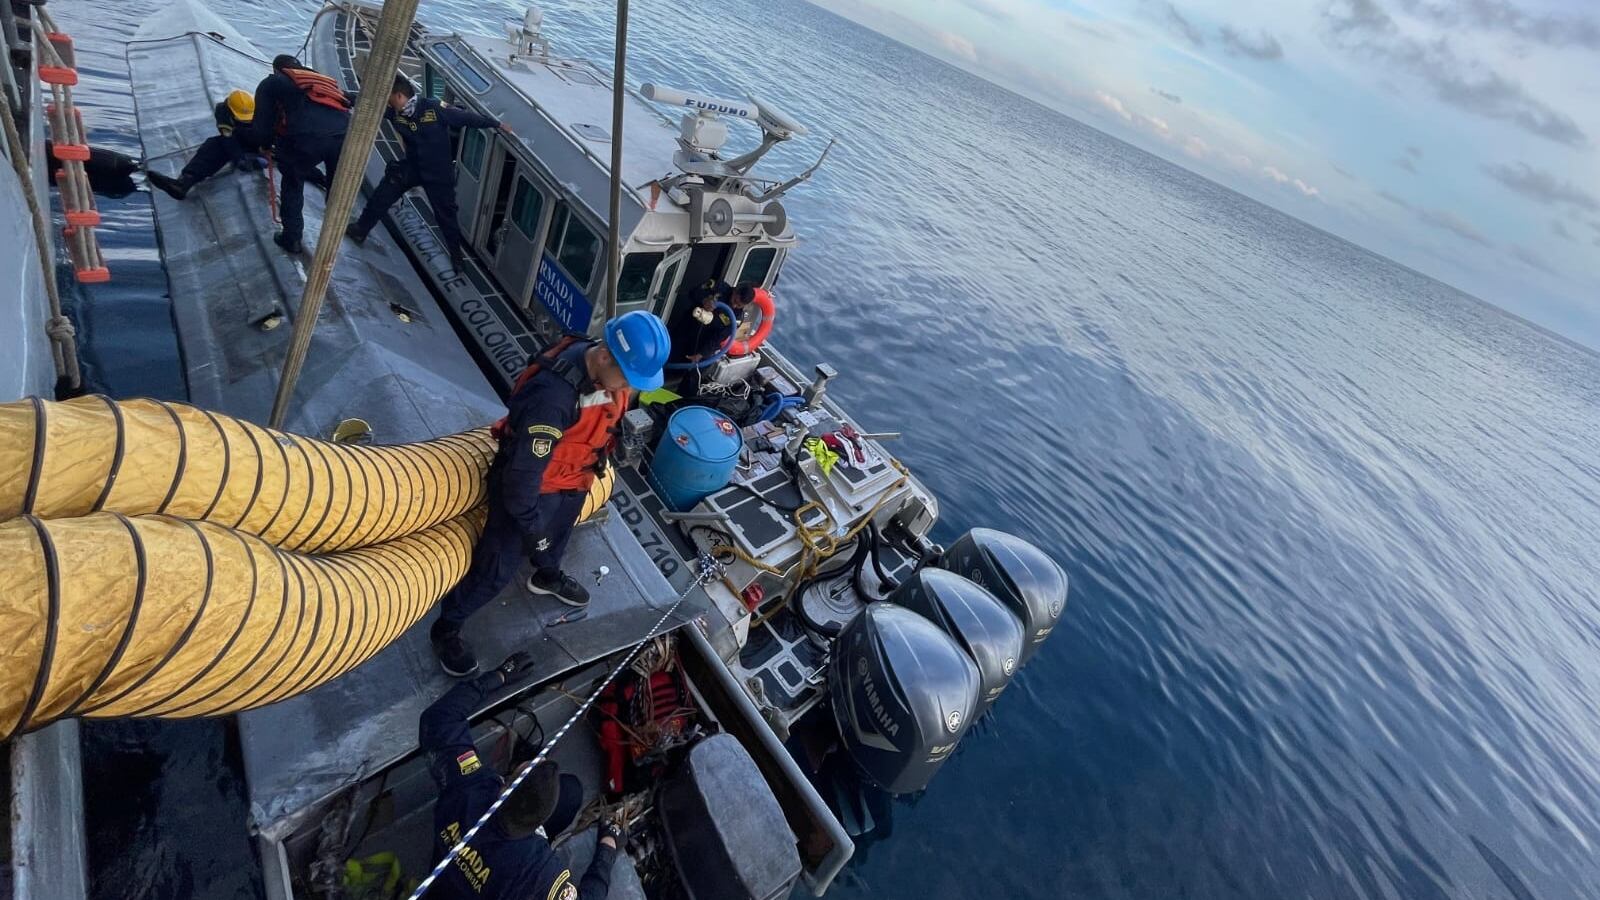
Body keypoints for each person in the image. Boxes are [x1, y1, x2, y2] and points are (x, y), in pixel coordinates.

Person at [429, 311, 671, 677]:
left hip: (573, 482)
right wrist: (531, 529)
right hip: (531, 493)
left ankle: (546, 575)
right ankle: (447, 625)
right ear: (604, 357)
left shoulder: (601, 372)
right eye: (627, 378)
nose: (629, 390)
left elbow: (601, 418)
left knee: (556, 538)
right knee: (497, 567)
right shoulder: (552, 398)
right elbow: (520, 483)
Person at [420, 651, 625, 900]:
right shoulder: (540, 874)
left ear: (503, 787)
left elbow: (438, 718)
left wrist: (499, 676)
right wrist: (608, 846)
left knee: (568, 790)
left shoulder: (469, 786)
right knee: (571, 792)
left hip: (441, 884)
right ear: (541, 821)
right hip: (511, 870)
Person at [346, 75, 510, 270]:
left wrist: (496, 124)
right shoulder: (394, 112)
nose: (387, 102)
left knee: (446, 216)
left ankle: (457, 257)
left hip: (438, 172)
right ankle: (361, 229)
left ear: (399, 95)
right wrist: (345, 97)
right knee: (382, 195)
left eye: (389, 97)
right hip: (412, 167)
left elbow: (466, 118)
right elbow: (369, 104)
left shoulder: (433, 108)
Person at [250, 54, 351, 254]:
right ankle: (336, 237)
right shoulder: (325, 81)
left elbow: (263, 122)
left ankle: (292, 238)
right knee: (336, 186)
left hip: (307, 137)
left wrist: (264, 144)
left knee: (293, 181)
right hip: (344, 135)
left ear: (276, 69)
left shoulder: (274, 82)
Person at [147, 89, 266, 200]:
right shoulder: (222, 113)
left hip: (264, 143)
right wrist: (240, 159)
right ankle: (184, 183)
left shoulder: (264, 113)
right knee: (213, 146)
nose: (246, 121)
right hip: (241, 141)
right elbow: (228, 140)